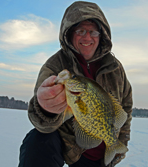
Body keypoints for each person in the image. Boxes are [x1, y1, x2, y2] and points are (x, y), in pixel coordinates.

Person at [18, 1, 133, 167]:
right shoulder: (55, 65)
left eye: (93, 31)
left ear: (102, 36)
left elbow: (125, 109)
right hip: (68, 149)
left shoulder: (115, 68)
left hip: (100, 156)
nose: (87, 37)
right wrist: (46, 109)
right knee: (36, 140)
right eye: (80, 31)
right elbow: (39, 121)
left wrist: (117, 144)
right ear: (69, 33)